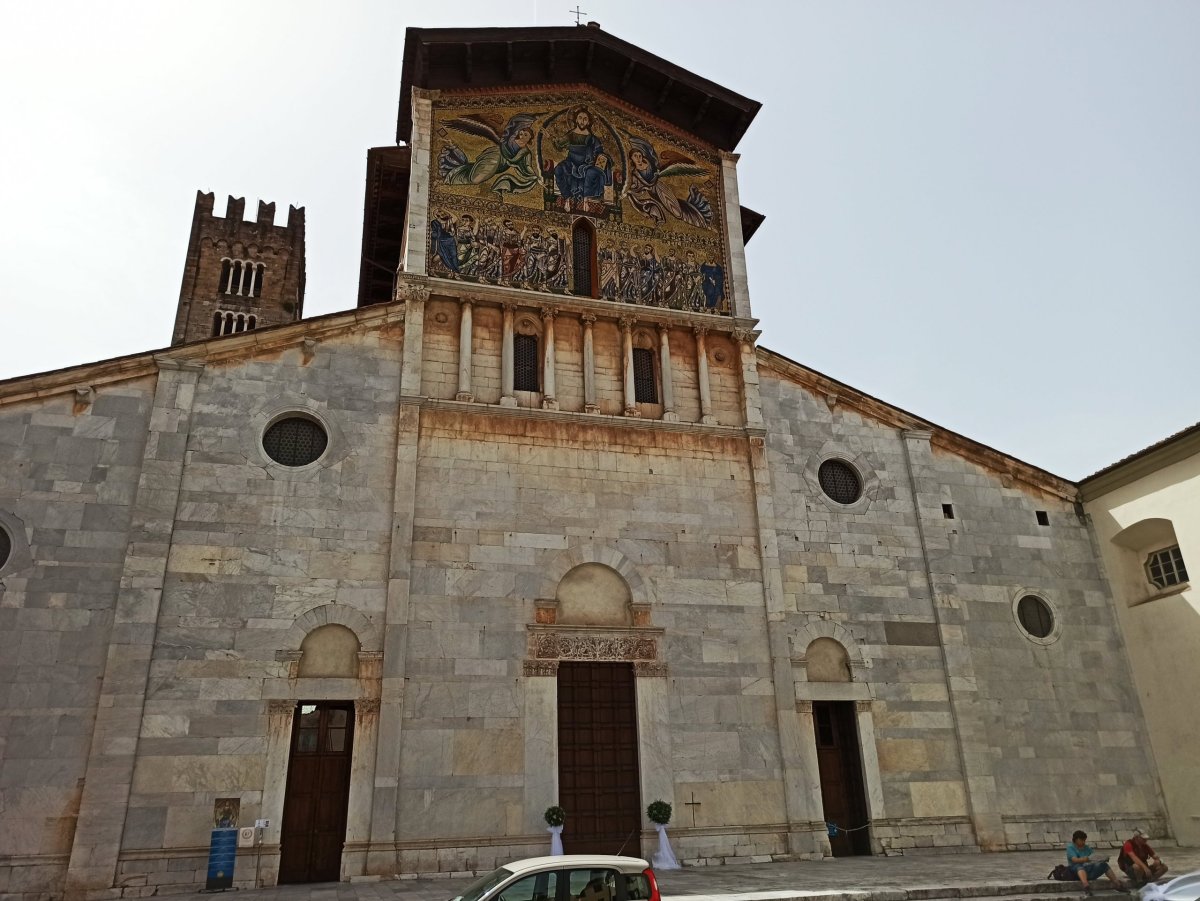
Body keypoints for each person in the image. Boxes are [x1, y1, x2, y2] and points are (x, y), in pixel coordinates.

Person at [1067, 830, 1128, 894]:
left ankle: (1118, 884)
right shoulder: (1070, 847)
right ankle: (1086, 886)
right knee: (1079, 867)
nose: (1083, 842)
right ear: (1077, 840)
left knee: (1104, 865)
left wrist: (1101, 859)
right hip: (1076, 872)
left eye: (1084, 840)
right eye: (1082, 840)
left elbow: (1093, 857)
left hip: (1089, 870)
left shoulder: (1087, 848)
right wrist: (1086, 859)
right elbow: (1075, 860)